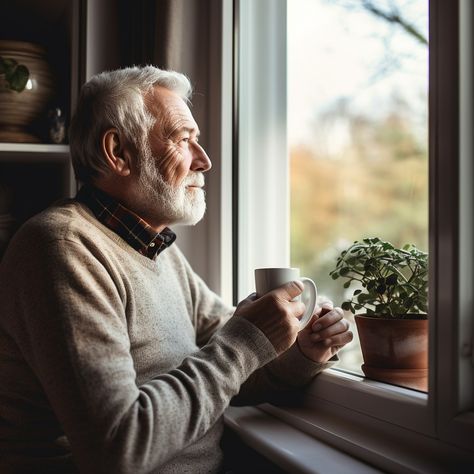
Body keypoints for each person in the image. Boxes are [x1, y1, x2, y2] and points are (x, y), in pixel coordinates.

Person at [0, 66, 353, 473]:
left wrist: (302, 352)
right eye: (183, 140)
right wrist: (245, 341)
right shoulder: (62, 247)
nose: (204, 161)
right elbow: (117, 449)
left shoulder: (157, 249)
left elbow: (231, 376)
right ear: (118, 152)